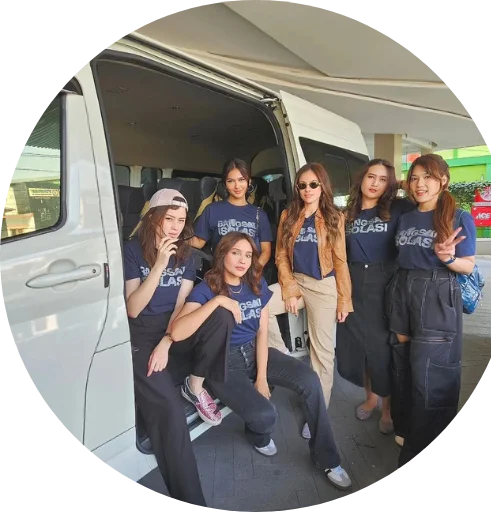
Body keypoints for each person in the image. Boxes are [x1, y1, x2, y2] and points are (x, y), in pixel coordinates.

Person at [170, 231, 353, 491]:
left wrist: (262, 377)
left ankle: (328, 459)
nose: (242, 260)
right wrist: (218, 301)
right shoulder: (207, 289)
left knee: (311, 381)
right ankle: (257, 434)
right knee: (266, 415)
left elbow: (262, 332)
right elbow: (177, 332)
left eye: (248, 255)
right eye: (236, 253)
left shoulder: (256, 284)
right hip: (223, 361)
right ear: (222, 254)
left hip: (254, 352)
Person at [123, 188, 233, 507]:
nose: (174, 227)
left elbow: (181, 305)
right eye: (169, 219)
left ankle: (195, 386)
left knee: (220, 315)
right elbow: (133, 308)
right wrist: (159, 265)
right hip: (141, 336)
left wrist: (168, 341)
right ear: (153, 218)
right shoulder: (133, 250)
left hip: (171, 331)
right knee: (171, 414)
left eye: (181, 220)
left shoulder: (187, 255)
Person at [387, 153, 477, 471]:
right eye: (414, 177)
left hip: (436, 292)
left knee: (431, 372)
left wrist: (448, 258)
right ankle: (406, 427)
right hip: (403, 289)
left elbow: (468, 266)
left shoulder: (458, 216)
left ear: (444, 180)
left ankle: (422, 444)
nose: (420, 184)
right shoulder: (407, 217)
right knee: (402, 364)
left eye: (428, 177)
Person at [265, 162, 353, 439]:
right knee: (260, 305)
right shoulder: (289, 215)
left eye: (313, 184)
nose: (307, 189)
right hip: (295, 281)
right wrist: (290, 288)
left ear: (323, 186)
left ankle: (317, 412)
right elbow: (281, 255)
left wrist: (344, 299)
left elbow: (340, 260)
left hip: (324, 286)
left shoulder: (334, 217)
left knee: (322, 353)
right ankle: (284, 361)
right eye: (302, 185)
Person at [335, 159, 416, 435]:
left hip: (386, 284)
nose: (375, 184)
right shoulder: (348, 214)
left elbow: (422, 196)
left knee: (383, 350)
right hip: (354, 284)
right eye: (371, 176)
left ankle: (388, 408)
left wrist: (400, 184)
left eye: (383, 180)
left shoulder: (398, 208)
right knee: (362, 349)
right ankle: (370, 399)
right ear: (362, 178)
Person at [191, 157, 273, 269]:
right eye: (231, 181)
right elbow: (199, 242)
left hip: (249, 272)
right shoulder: (212, 210)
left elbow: (266, 251)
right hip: (220, 272)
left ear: (249, 182)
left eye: (241, 180)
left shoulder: (259, 214)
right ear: (225, 184)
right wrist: (173, 237)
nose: (237, 186)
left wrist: (254, 272)